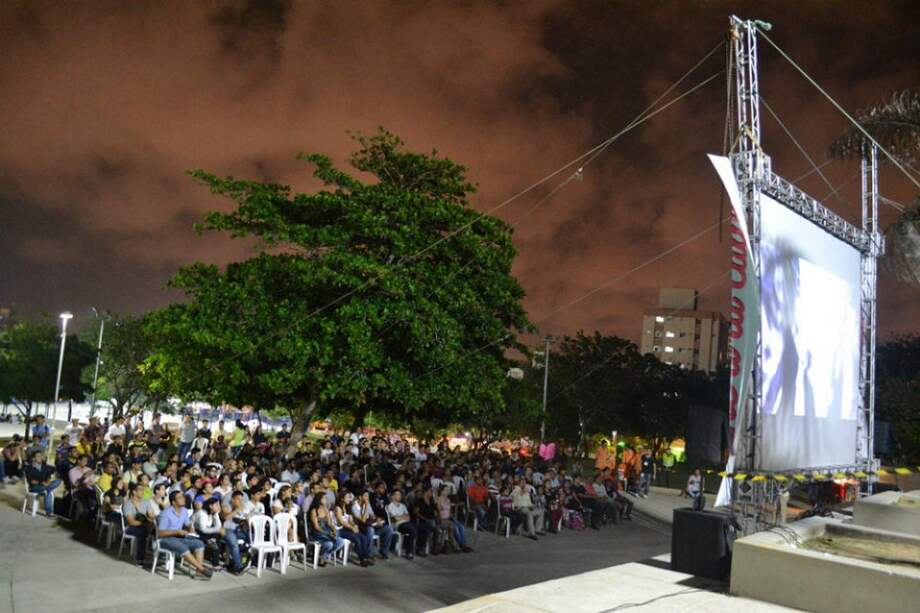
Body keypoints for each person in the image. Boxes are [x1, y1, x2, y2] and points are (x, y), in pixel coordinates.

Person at [156, 491, 213, 579]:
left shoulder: (184, 511)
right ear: (173, 502)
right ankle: (201, 569)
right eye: (180, 498)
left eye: (183, 496)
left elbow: (188, 523)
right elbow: (160, 533)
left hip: (178, 537)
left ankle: (198, 572)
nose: (183, 499)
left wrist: (191, 528)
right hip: (165, 539)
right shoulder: (165, 513)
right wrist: (177, 532)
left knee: (199, 543)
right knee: (182, 547)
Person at [334, 492, 374, 566]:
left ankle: (366, 556)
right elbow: (341, 522)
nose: (349, 499)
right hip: (339, 530)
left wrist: (354, 525)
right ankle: (362, 558)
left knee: (363, 537)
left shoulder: (347, 507)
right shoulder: (338, 508)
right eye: (347, 497)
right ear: (342, 499)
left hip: (346, 529)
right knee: (357, 539)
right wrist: (352, 528)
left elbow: (350, 520)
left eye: (349, 497)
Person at [353, 490, 395, 560]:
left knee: (389, 529)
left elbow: (372, 515)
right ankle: (368, 554)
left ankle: (384, 552)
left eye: (368, 496)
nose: (367, 498)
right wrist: (366, 506)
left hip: (370, 525)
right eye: (366, 496)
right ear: (360, 497)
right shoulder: (354, 506)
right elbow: (363, 520)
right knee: (370, 530)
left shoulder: (367, 503)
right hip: (360, 528)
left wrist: (377, 520)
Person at [121, 482, 154, 566]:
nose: (143, 492)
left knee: (158, 530)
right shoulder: (128, 504)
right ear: (134, 492)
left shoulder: (146, 502)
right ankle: (139, 559)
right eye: (140, 490)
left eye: (143, 490)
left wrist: (150, 520)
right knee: (142, 532)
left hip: (144, 525)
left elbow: (152, 516)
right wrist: (145, 523)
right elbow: (131, 522)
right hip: (131, 527)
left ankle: (158, 557)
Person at [308, 495, 345, 567]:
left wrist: (334, 529)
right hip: (318, 533)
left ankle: (323, 556)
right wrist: (327, 533)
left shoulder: (326, 509)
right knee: (329, 544)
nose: (326, 499)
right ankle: (322, 557)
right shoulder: (314, 511)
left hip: (326, 532)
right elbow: (316, 527)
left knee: (340, 542)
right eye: (324, 498)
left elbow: (329, 523)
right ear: (319, 499)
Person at [386, 489, 420, 559]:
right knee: (412, 530)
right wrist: (403, 516)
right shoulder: (390, 506)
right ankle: (409, 552)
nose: (400, 496)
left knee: (414, 527)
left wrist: (400, 517)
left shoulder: (403, 505)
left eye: (400, 495)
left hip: (407, 523)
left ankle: (409, 551)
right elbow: (395, 519)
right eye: (398, 494)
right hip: (398, 525)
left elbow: (408, 517)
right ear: (393, 496)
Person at [25, 450, 61, 516]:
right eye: (38, 456)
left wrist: (48, 482)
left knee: (58, 481)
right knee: (48, 491)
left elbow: (48, 476)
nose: (40, 457)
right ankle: (49, 513)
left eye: (41, 456)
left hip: (45, 486)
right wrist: (42, 483)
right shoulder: (29, 467)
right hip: (34, 487)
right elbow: (32, 481)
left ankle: (47, 488)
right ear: (33, 458)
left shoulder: (44, 467)